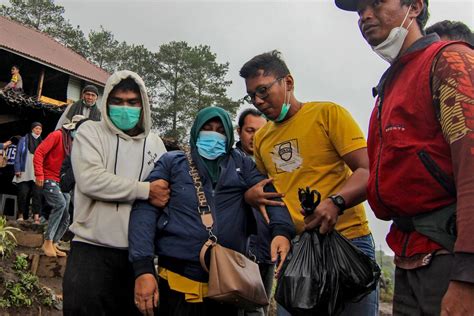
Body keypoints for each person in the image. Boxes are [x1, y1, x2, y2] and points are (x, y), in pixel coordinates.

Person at [335, 0, 474, 314]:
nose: (365, 16)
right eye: (359, 10)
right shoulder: (392, 82)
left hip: (448, 254)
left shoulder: (449, 60)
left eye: (376, 3)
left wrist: (468, 275)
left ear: (414, 6)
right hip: (410, 256)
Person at [239, 50, 376, 315]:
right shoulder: (263, 138)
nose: (258, 101)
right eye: (252, 95)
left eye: (264, 91)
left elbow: (369, 170)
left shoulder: (328, 114)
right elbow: (269, 192)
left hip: (348, 242)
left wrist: (336, 203)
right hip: (298, 252)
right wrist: (250, 197)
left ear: (288, 83)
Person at [128, 106, 295, 316]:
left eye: (220, 130)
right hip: (175, 283)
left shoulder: (242, 164)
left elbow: (270, 195)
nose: (214, 134)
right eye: (207, 128)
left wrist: (281, 231)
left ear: (228, 134)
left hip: (226, 288)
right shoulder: (172, 163)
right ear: (196, 131)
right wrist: (143, 268)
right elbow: (145, 211)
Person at [63, 71, 168, 316]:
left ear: (143, 105)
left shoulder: (156, 144)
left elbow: (163, 195)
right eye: (118, 101)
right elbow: (91, 180)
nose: (125, 108)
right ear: (107, 102)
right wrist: (145, 190)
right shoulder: (91, 133)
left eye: (132, 102)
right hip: (91, 251)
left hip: (138, 258)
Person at [235, 108, 273, 316]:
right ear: (239, 131)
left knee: (259, 311)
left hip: (267, 252)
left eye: (261, 131)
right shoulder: (229, 163)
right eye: (250, 130)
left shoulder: (273, 165)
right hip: (236, 253)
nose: (256, 137)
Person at [34, 115, 84, 257]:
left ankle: (55, 242)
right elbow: (39, 152)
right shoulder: (57, 135)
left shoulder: (74, 143)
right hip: (49, 177)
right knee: (60, 204)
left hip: (61, 182)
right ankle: (47, 241)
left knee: (67, 215)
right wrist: (39, 174)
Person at [13, 122, 43, 223]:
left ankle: (36, 216)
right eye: (36, 128)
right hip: (24, 170)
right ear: (32, 129)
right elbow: (18, 154)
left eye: (40, 129)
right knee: (23, 193)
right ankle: (21, 215)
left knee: (37, 194)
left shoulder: (42, 142)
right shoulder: (24, 139)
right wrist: (17, 168)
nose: (38, 130)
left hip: (37, 172)